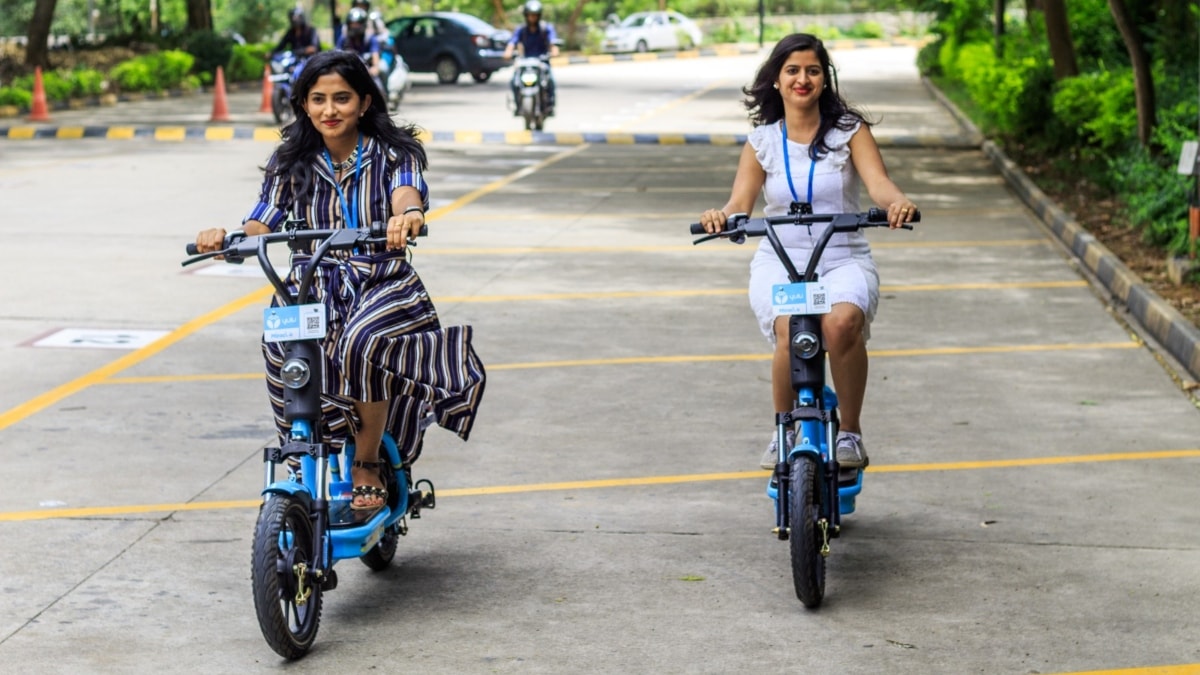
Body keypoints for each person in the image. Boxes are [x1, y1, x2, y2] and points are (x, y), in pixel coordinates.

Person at [194, 51, 486, 517]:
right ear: (304, 105)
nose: (330, 110)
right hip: (310, 286)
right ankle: (302, 451)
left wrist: (408, 214)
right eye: (318, 99)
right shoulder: (290, 160)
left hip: (382, 281)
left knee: (361, 343)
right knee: (284, 354)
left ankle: (367, 462)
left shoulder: (394, 152)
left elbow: (405, 193)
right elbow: (261, 222)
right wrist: (225, 238)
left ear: (364, 102)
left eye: (342, 98)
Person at [696, 34, 917, 471]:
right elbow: (739, 204)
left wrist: (897, 203)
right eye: (792, 71)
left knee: (841, 323)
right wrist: (720, 217)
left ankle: (850, 432)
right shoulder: (762, 141)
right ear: (776, 80)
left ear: (824, 79)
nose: (803, 79)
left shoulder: (850, 131)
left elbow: (880, 184)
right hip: (781, 259)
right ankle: (784, 430)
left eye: (812, 71)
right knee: (790, 329)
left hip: (841, 257)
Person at [504, 0, 559, 115]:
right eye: (530, 15)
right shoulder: (521, 30)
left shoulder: (545, 28)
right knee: (514, 80)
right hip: (525, 61)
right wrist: (508, 52)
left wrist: (554, 50)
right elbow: (512, 42)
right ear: (526, 15)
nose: (532, 17)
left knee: (551, 80)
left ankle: (550, 104)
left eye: (535, 15)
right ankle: (517, 104)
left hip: (542, 60)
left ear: (539, 15)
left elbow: (553, 42)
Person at [338, 7, 385, 93]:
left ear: (363, 24)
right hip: (348, 73)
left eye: (357, 24)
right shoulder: (344, 39)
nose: (354, 27)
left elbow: (375, 58)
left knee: (379, 88)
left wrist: (373, 69)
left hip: (367, 74)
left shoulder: (370, 39)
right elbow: (337, 56)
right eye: (352, 24)